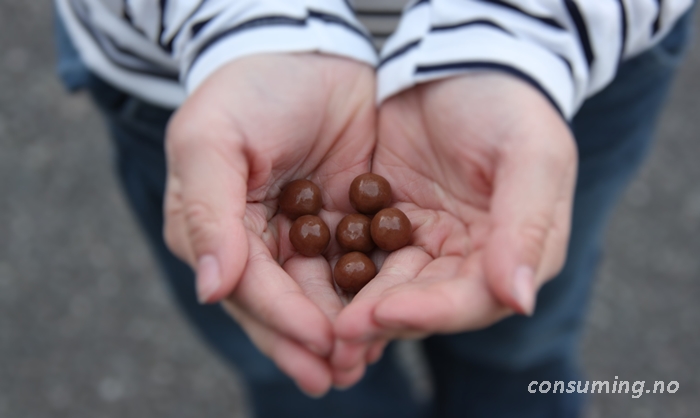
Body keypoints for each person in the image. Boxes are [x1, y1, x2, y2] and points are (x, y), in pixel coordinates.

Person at [55, 0, 694, 417]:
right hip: (206, 71)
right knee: (294, 348)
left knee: (522, 322)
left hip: (567, 58)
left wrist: (518, 33)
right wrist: (246, 28)